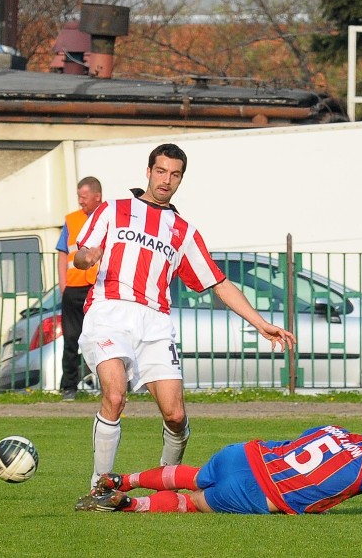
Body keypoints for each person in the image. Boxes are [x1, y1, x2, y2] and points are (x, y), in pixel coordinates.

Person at [73, 143, 296, 489]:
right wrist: (87, 258)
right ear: (148, 172)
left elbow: (219, 283)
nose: (166, 180)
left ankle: (166, 483)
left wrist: (261, 323)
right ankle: (100, 485)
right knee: (115, 396)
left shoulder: (183, 231)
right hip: (109, 312)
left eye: (174, 174)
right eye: (160, 171)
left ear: (181, 179)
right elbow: (81, 254)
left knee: (175, 416)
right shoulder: (112, 209)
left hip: (156, 322)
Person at [76, 423, 362, 517]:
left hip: (244, 453)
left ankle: (119, 479)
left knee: (192, 475)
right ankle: (129, 505)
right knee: (192, 503)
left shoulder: (333, 429)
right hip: (261, 490)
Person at [55, 176, 102, 401]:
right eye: (79, 197)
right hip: (74, 288)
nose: (80, 202)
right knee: (71, 339)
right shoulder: (72, 220)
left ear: (97, 197)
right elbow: (63, 253)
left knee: (102, 339)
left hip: (97, 288)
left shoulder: (107, 217)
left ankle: (107, 385)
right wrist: (63, 284)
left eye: (84, 197)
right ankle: (69, 387)